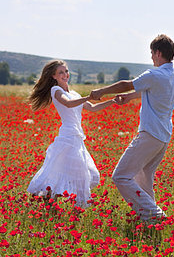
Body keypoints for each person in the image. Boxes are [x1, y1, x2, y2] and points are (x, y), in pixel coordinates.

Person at [90, 34, 174, 223]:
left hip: (150, 133)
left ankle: (156, 214)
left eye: (151, 53)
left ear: (158, 53)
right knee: (143, 175)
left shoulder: (154, 74)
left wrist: (102, 91)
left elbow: (127, 83)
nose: (151, 57)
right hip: (163, 135)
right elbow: (150, 89)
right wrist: (129, 97)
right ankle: (149, 218)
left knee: (121, 176)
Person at [27, 60, 115, 208]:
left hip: (77, 138)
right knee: (79, 174)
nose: (65, 75)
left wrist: (113, 101)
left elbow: (92, 108)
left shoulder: (74, 94)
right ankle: (61, 203)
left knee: (88, 174)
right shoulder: (56, 91)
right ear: (54, 76)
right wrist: (88, 97)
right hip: (67, 137)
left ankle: (50, 199)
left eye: (66, 71)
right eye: (61, 72)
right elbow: (67, 104)